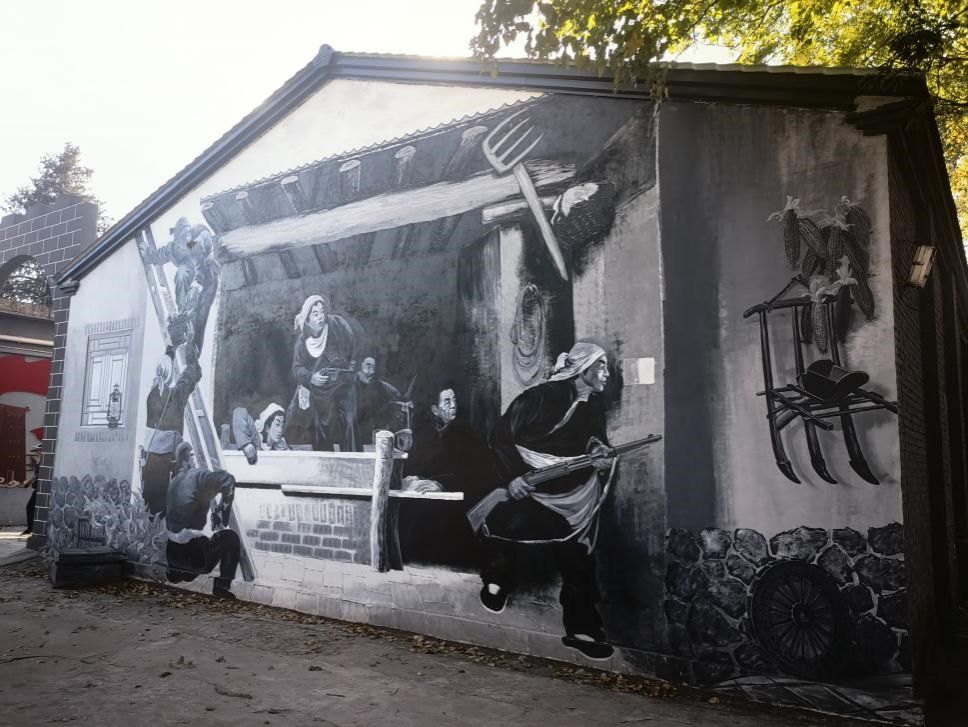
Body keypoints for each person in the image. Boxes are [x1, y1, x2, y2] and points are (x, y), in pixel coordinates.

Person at [474, 342, 616, 660]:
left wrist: (599, 454)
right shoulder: (538, 398)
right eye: (601, 366)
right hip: (527, 488)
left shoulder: (591, 408)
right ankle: (496, 582)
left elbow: (593, 442)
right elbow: (500, 437)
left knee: (578, 554)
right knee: (509, 531)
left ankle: (581, 627)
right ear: (583, 369)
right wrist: (514, 477)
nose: (607, 373)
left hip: (570, 494)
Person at [398, 387, 500, 568]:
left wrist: (441, 484)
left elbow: (476, 474)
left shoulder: (467, 434)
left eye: (454, 400)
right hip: (435, 496)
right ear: (435, 409)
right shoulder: (429, 433)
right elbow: (425, 465)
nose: (454, 405)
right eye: (447, 401)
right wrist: (415, 477)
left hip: (466, 498)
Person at [165, 442, 240, 600]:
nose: (196, 460)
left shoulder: (173, 481)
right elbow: (229, 480)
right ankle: (221, 586)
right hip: (195, 557)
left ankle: (175, 574)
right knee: (231, 538)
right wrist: (223, 513)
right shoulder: (198, 475)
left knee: (189, 540)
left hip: (172, 555)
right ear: (186, 460)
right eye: (193, 456)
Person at [287, 295, 359, 452]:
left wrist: (350, 364)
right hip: (320, 391)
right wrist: (311, 378)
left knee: (349, 421)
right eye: (315, 314)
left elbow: (352, 344)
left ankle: (353, 459)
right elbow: (297, 367)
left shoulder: (337, 325)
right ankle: (325, 461)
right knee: (320, 425)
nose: (320, 317)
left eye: (322, 312)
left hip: (343, 385)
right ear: (307, 320)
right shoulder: (302, 342)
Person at [142, 328, 201, 516]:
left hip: (151, 462)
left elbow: (165, 367)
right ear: (170, 374)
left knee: (151, 509)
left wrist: (170, 351)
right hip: (168, 461)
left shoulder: (152, 395)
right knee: (167, 508)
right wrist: (190, 344)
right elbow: (192, 372)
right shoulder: (176, 396)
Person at [355, 357, 407, 447]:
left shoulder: (378, 385)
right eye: (368, 366)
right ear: (361, 365)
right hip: (358, 425)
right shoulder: (352, 383)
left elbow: (388, 401)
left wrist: (401, 403)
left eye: (374, 367)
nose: (372, 371)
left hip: (376, 425)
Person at [21, 444, 41, 535]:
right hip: (37, 489)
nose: (36, 452)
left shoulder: (44, 461)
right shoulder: (39, 460)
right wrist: (28, 483)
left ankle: (31, 528)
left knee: (30, 507)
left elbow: (36, 476)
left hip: (41, 490)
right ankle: (31, 528)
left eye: (38, 450)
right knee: (31, 508)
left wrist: (28, 482)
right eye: (36, 451)